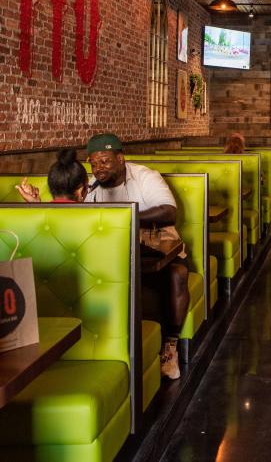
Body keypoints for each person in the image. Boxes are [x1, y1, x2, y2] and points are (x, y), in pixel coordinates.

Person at [84, 134, 187, 380]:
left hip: (158, 242)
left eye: (105, 162)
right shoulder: (92, 186)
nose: (99, 169)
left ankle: (169, 344)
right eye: (94, 163)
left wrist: (124, 216)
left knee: (176, 275)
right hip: (114, 250)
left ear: (121, 159)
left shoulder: (145, 176)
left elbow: (168, 211)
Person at [16, 149, 89, 203]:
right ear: (80, 190)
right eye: (87, 187)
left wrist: (36, 205)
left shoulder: (40, 214)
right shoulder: (91, 218)